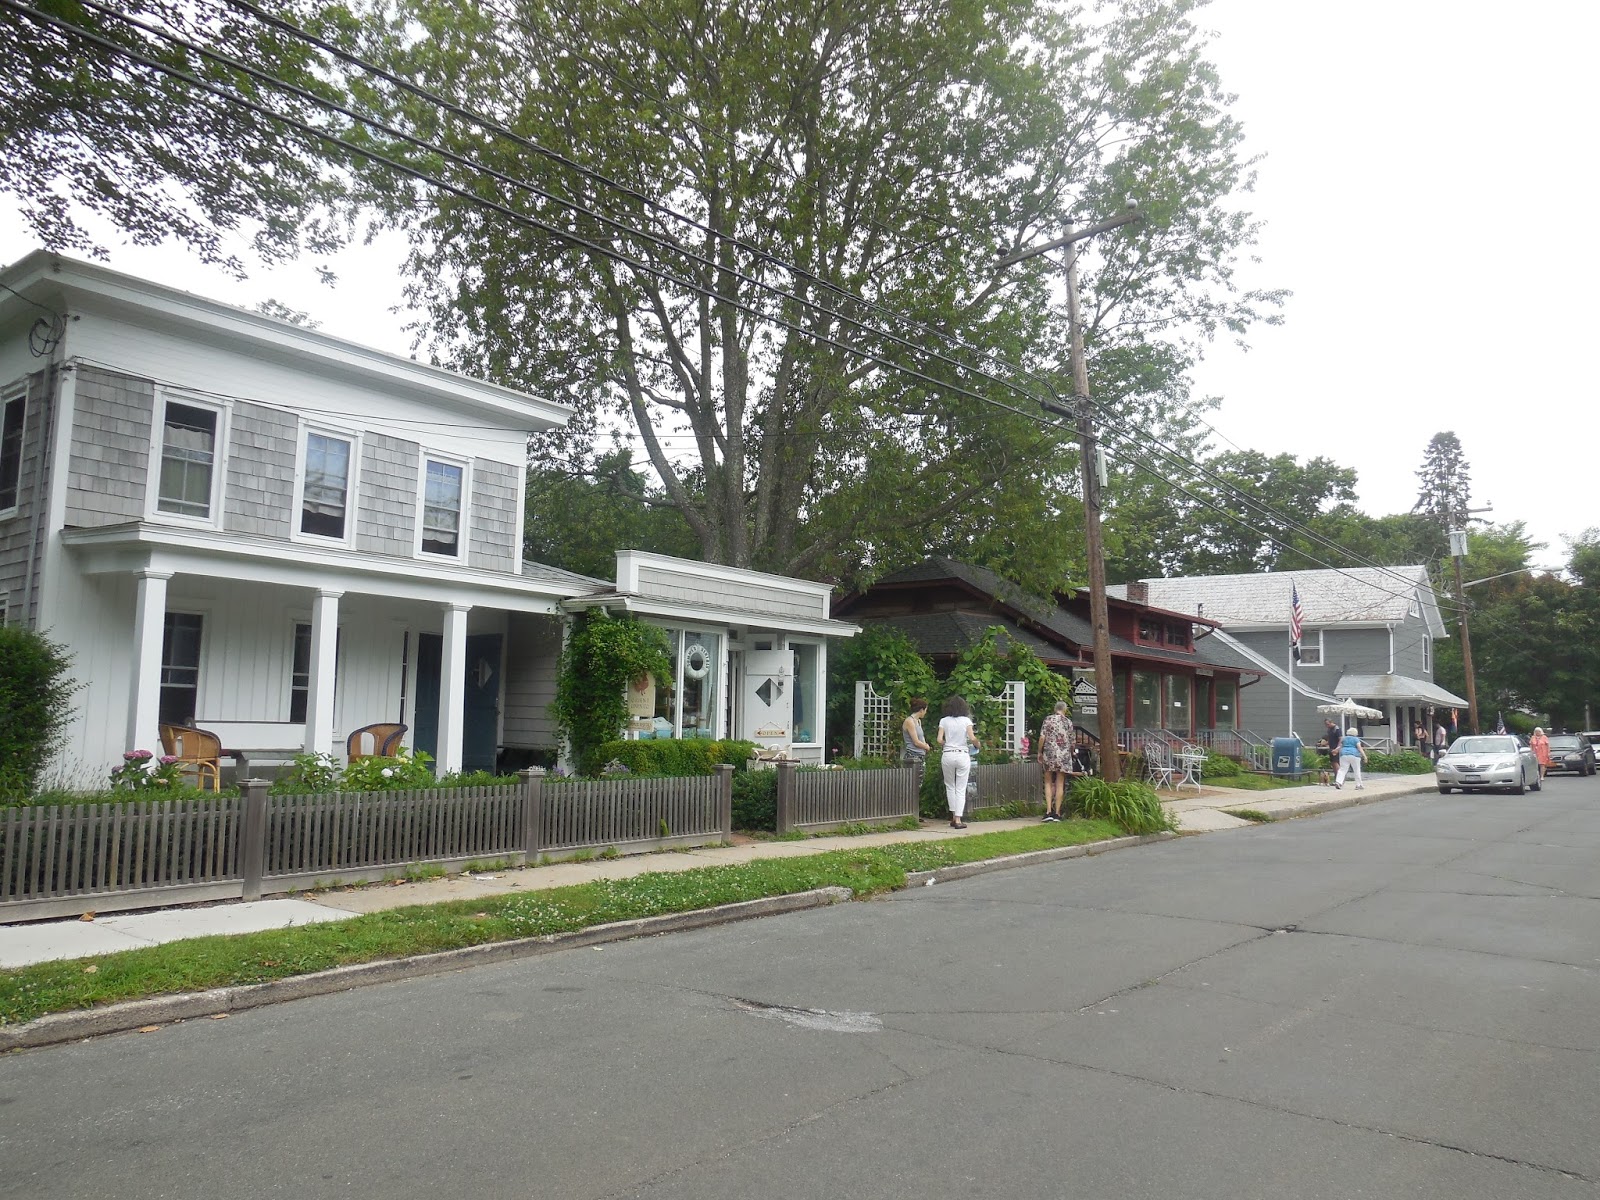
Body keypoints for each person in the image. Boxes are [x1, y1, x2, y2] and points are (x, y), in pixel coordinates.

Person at [936, 695, 982, 829]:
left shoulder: (944, 721)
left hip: (948, 754)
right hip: (962, 755)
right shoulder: (966, 720)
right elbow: (972, 738)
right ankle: (958, 819)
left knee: (950, 785)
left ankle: (952, 816)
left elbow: (939, 740)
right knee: (961, 787)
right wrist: (977, 744)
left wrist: (947, 743)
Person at [1037, 700, 1075, 822]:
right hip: (1063, 756)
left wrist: (1039, 752)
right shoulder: (1068, 722)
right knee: (1060, 784)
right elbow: (1072, 742)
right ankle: (1057, 813)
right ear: (1065, 709)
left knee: (1047, 782)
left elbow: (1042, 737)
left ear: (1055, 709)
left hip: (1050, 753)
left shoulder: (1048, 720)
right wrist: (1070, 752)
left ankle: (1048, 811)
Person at [901, 698, 931, 768]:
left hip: (920, 755)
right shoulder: (910, 722)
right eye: (925, 710)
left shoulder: (918, 721)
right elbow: (916, 742)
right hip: (913, 755)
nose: (925, 713)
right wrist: (926, 747)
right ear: (921, 710)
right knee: (913, 778)